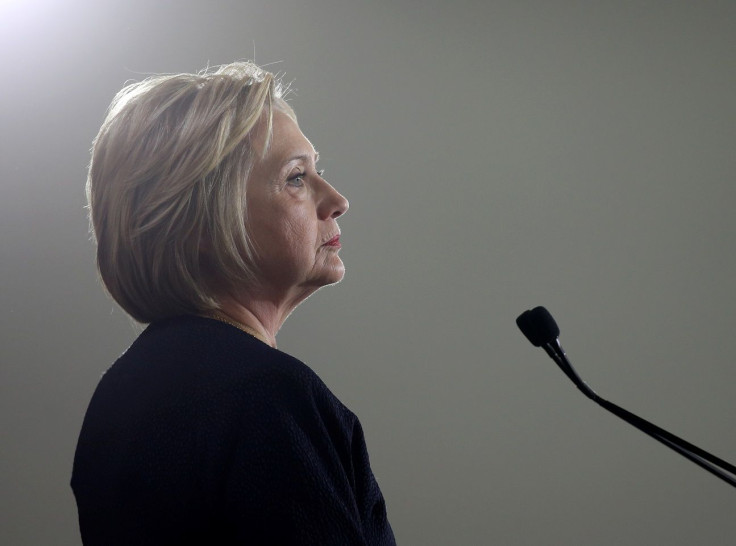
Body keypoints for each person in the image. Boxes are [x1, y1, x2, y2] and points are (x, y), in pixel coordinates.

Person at [71, 61, 396, 545]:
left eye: (317, 171)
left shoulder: (119, 393)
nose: (336, 199)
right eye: (295, 178)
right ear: (202, 221)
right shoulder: (269, 396)